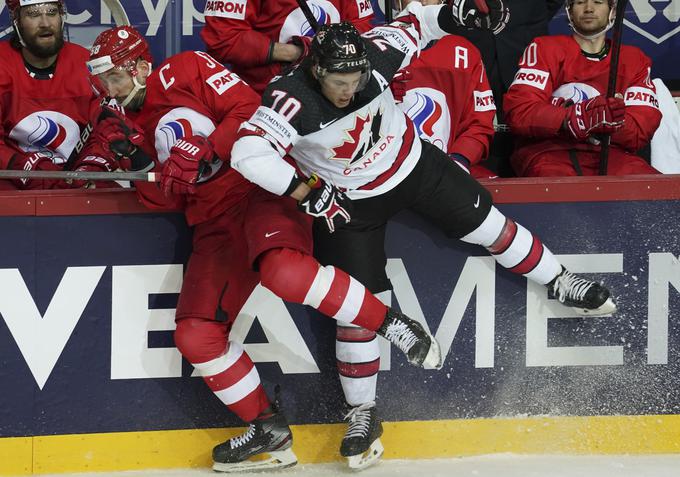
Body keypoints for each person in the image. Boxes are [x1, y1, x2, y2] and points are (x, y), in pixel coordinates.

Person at [229, 4, 616, 470]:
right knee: (359, 306)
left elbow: (421, 21)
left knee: (490, 227)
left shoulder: (378, 52)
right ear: (315, 69)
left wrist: (460, 10)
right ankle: (363, 413)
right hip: (348, 202)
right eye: (338, 83)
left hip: (415, 167)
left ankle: (559, 279)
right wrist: (303, 190)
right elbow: (247, 154)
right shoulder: (290, 97)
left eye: (356, 82)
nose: (349, 92)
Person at [85, 25, 442, 473]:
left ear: (140, 66)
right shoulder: (117, 125)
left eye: (114, 78)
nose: (109, 90)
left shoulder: (186, 68)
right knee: (195, 335)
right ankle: (268, 430)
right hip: (213, 224)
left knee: (285, 272)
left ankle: (392, 324)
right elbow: (168, 196)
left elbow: (250, 109)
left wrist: (208, 147)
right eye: (102, 82)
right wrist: (138, 164)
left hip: (259, 191)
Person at [503, 0, 662, 176]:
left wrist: (612, 119)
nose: (588, 8)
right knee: (557, 192)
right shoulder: (544, 49)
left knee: (654, 191)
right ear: (569, 12)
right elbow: (520, 111)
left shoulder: (634, 60)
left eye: (598, 2)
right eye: (580, 2)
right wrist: (570, 118)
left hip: (612, 154)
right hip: (549, 152)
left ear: (613, 11)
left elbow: (641, 130)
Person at [0, 0, 119, 190]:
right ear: (17, 21)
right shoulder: (2, 63)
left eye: (52, 12)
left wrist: (93, 162)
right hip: (12, 181)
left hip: (77, 179)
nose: (46, 23)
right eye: (33, 14)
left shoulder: (87, 64)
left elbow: (108, 126)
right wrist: (22, 166)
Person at [201, 0, 375, 94]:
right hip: (269, 99)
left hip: (333, 94)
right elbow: (224, 39)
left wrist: (338, 48)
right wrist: (297, 52)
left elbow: (362, 28)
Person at [393, 33, 497, 178]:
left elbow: (479, 124)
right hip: (383, 171)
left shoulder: (465, 53)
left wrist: (459, 160)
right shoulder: (376, 48)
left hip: (445, 169)